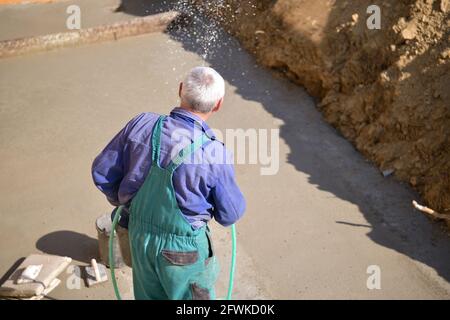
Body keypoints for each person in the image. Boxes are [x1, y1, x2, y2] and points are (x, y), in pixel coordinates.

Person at [91, 66, 246, 300]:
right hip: (183, 253)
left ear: (181, 89)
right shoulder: (214, 152)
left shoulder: (142, 124)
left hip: (139, 238)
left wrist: (126, 203)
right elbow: (230, 215)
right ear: (218, 104)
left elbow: (102, 173)